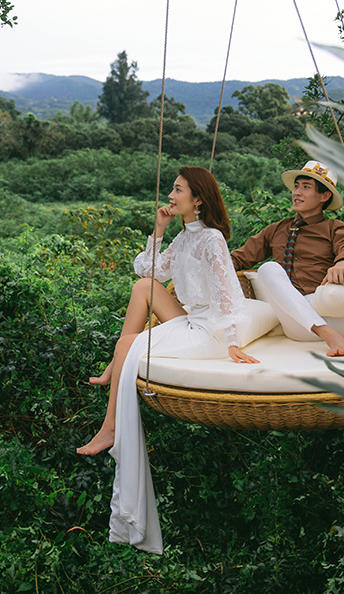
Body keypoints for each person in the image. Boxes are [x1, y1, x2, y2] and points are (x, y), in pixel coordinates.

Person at [76, 166, 258, 554]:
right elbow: (148, 270)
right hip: (191, 317)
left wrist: (231, 343)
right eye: (172, 190)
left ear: (198, 199)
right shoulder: (184, 236)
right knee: (143, 287)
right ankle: (117, 363)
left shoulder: (211, 239)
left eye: (178, 190)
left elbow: (227, 294)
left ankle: (110, 427)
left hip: (210, 329)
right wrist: (159, 230)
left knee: (128, 345)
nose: (171, 197)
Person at [229, 160, 344, 358]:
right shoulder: (276, 229)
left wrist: (342, 262)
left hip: (333, 313)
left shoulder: (335, 228)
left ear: (324, 196)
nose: (297, 192)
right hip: (298, 322)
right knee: (268, 268)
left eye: (306, 187)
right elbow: (239, 259)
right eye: (296, 186)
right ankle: (326, 333)